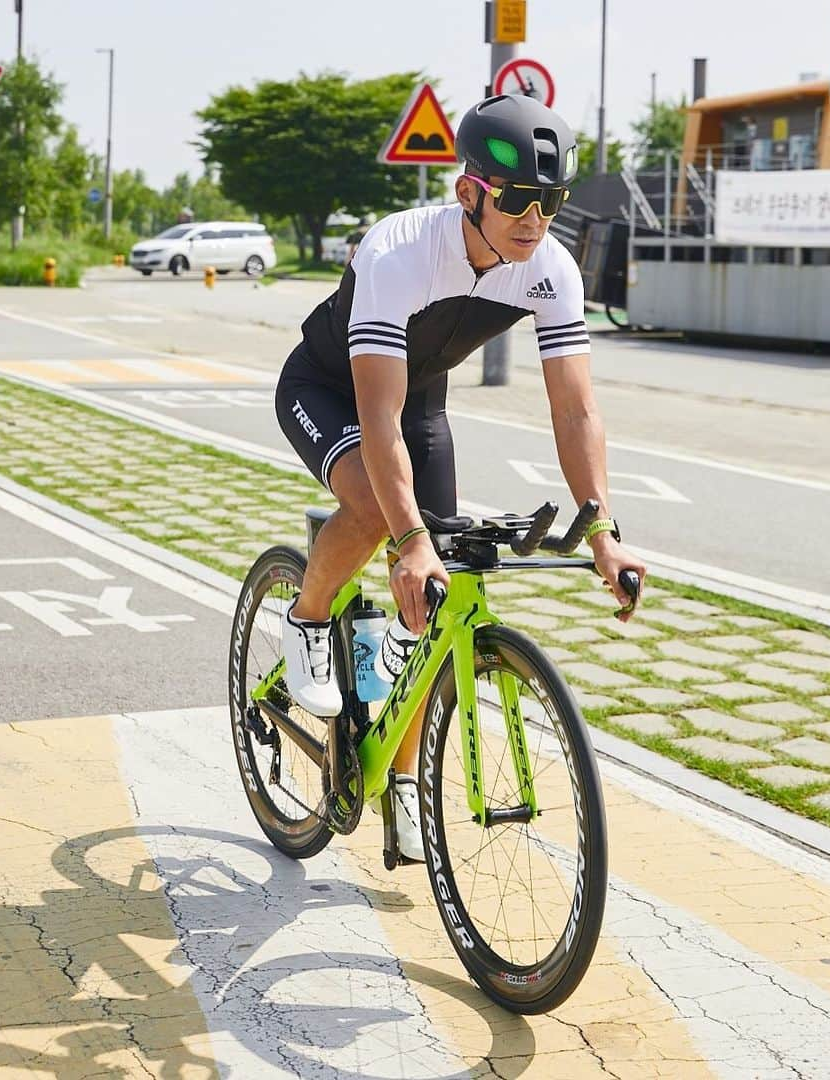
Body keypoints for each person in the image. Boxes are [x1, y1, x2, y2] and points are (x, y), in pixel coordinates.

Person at [275, 94, 647, 861]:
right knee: (385, 517)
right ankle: (307, 618)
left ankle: (404, 781)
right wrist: (409, 535)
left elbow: (575, 410)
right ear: (468, 192)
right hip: (329, 387)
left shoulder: (549, 269)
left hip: (420, 404)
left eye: (552, 202)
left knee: (432, 602)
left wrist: (604, 531)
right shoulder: (399, 250)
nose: (535, 219)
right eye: (518, 200)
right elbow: (376, 416)